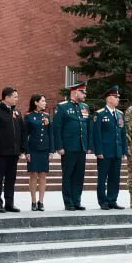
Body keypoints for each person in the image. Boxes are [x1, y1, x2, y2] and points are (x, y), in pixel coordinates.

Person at [0, 86, 24, 212]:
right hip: (1, 152)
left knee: (11, 179)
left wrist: (21, 149)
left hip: (14, 152)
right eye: (15, 97)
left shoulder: (16, 112)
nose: (17, 99)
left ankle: (9, 202)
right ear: (6, 97)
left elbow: (22, 131)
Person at [53, 81, 90, 210]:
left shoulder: (84, 107)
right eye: (82, 92)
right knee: (68, 175)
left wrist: (88, 145)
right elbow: (57, 128)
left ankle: (77, 201)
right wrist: (59, 146)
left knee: (79, 176)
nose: (85, 94)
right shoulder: (62, 107)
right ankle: (68, 202)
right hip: (68, 147)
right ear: (75, 92)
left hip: (81, 146)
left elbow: (86, 127)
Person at [91, 86, 128, 210]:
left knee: (115, 177)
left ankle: (112, 200)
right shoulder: (100, 114)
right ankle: (103, 201)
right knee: (102, 178)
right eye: (115, 97)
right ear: (108, 98)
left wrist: (124, 151)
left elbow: (123, 134)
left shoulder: (120, 114)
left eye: (118, 97)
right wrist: (99, 151)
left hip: (117, 151)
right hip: (105, 152)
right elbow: (97, 135)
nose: (118, 99)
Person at [23, 94, 52, 211]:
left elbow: (50, 134)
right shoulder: (28, 116)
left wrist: (51, 150)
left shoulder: (47, 116)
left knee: (43, 175)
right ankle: (33, 201)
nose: (45, 103)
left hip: (44, 149)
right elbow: (25, 135)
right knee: (33, 174)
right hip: (33, 149)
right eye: (43, 101)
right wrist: (27, 151)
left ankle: (41, 201)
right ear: (36, 102)